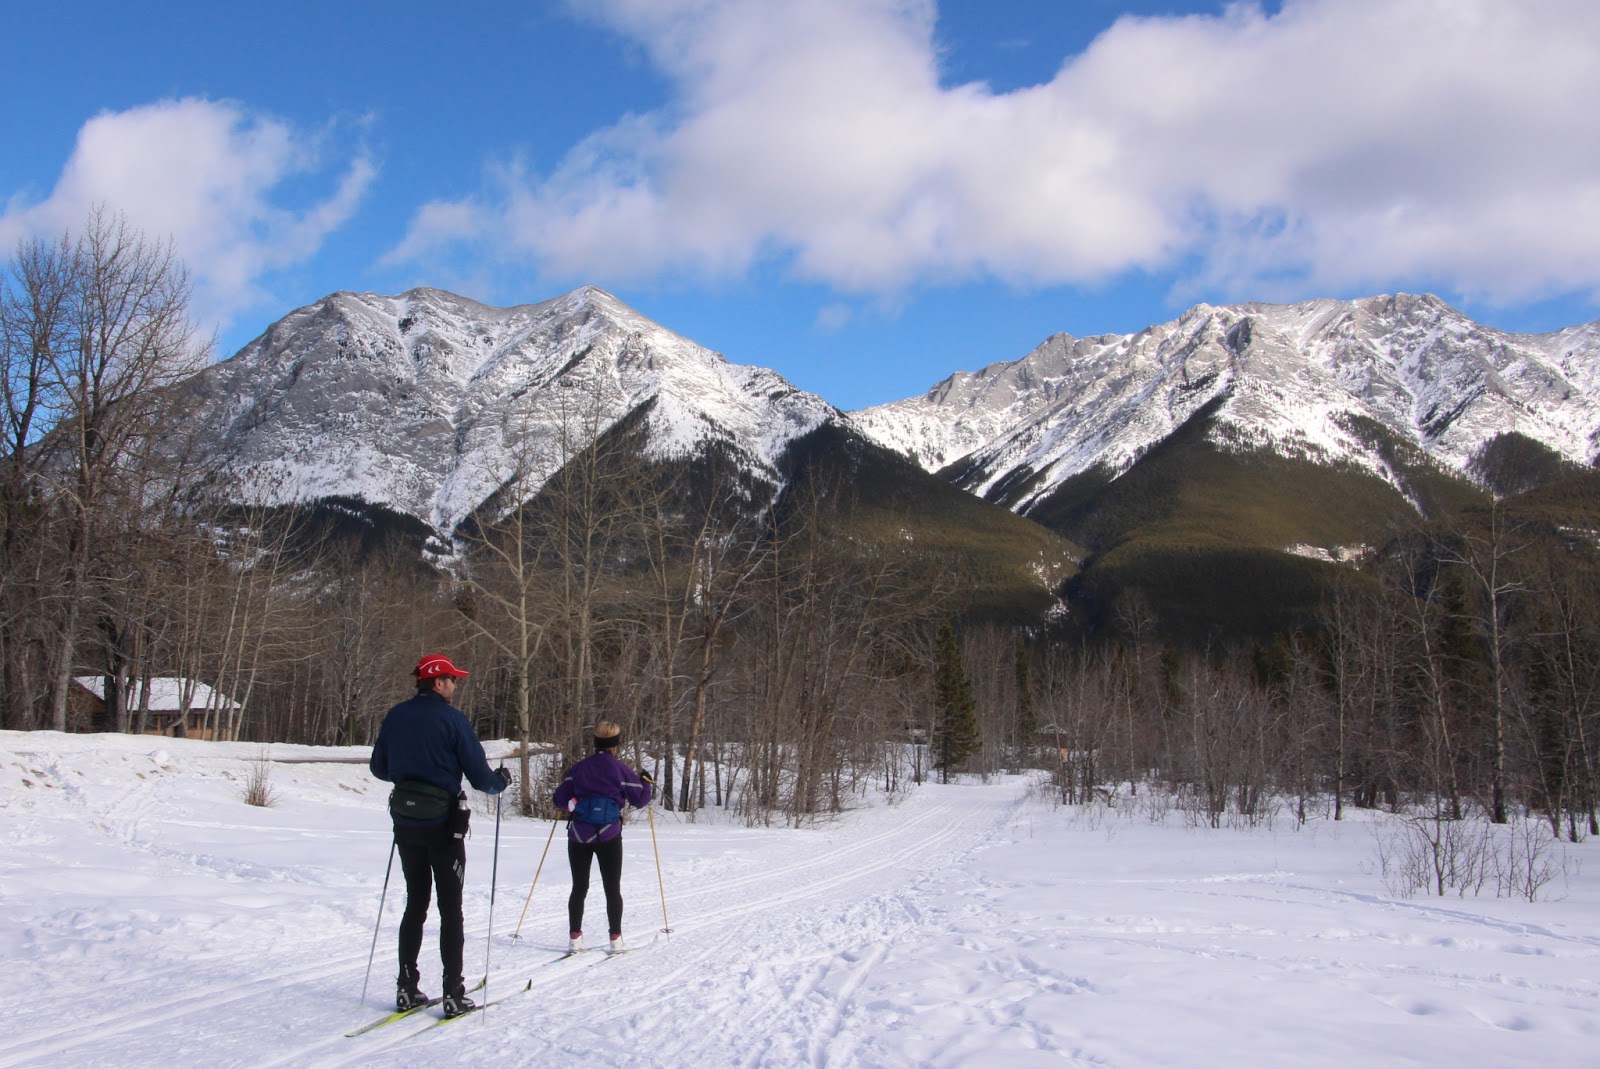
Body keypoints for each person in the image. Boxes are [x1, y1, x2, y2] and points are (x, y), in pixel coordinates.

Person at [370, 653, 510, 1018]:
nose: (455, 685)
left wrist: (410, 773)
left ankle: (406, 987)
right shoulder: (452, 720)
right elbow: (480, 778)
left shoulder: (396, 716)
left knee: (415, 901)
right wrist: (500, 782)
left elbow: (379, 768)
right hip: (443, 825)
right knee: (450, 908)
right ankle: (452, 993)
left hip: (406, 821)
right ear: (437, 682)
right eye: (452, 680)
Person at [552, 720, 654, 954]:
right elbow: (639, 800)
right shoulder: (620, 770)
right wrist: (646, 783)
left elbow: (558, 800)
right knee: (612, 888)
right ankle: (615, 939)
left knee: (579, 887)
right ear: (615, 745)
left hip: (579, 836)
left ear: (596, 742)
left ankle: (575, 938)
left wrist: (574, 800)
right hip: (610, 835)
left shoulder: (579, 769)